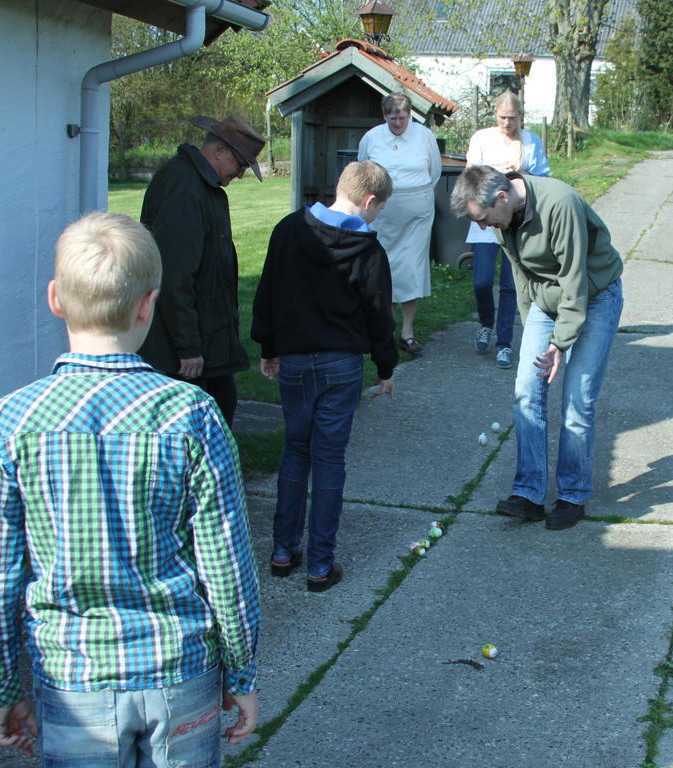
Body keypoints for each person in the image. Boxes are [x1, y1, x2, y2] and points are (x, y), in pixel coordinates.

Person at [0, 212, 260, 765]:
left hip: (73, 677)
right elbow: (228, 567)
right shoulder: (190, 413)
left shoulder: (12, 420)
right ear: (149, 304)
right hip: (180, 671)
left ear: (56, 299)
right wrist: (242, 671)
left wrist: (2, 686)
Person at [251, 161, 399, 592]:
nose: (377, 218)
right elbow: (379, 316)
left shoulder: (289, 230)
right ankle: (320, 564)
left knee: (296, 451)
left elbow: (268, 291)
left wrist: (269, 346)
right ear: (369, 201)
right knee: (330, 458)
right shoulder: (369, 251)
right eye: (380, 209)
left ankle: (282, 551)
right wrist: (386, 368)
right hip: (341, 366)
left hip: (294, 362)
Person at [450, 166, 624, 530]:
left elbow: (575, 281)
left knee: (578, 399)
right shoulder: (503, 220)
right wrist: (534, 331)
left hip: (594, 296)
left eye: (482, 219)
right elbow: (520, 276)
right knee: (526, 392)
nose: (483, 227)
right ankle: (529, 493)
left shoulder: (559, 204)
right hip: (546, 302)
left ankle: (572, 495)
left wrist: (560, 343)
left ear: (501, 197)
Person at [138, 114, 266, 426]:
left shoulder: (199, 184)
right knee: (197, 433)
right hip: (188, 351)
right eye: (240, 164)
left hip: (209, 338)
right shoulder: (184, 187)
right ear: (220, 151)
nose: (240, 174)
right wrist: (188, 347)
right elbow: (174, 274)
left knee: (220, 418)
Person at [464, 91, 551, 370]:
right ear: (496, 115)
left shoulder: (531, 141)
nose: (507, 123)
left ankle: (504, 343)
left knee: (511, 283)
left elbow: (544, 178)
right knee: (482, 279)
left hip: (516, 218)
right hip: (486, 217)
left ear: (520, 116)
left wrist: (518, 176)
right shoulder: (481, 139)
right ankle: (486, 323)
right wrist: (493, 170)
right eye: (503, 117)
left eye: (512, 118)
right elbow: (469, 175)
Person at [357, 93, 441, 355]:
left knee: (412, 267)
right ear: (384, 116)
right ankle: (383, 327)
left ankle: (407, 331)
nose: (397, 122)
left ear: (410, 114)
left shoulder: (424, 135)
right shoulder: (372, 137)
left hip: (417, 212)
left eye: (402, 117)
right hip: (382, 212)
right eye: (392, 117)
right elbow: (362, 170)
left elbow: (435, 171)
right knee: (384, 266)